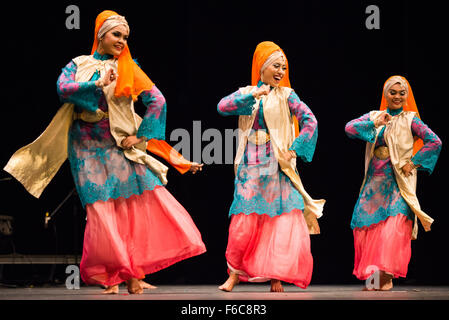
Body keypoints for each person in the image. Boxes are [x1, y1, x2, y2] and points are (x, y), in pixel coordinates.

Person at [4, 10, 206, 294]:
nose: (122, 41)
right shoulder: (79, 64)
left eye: (125, 37)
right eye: (116, 34)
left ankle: (128, 274)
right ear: (100, 34)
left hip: (117, 146)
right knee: (99, 209)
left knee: (130, 208)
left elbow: (158, 100)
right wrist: (97, 83)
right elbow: (64, 89)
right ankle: (120, 274)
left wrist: (140, 137)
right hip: (84, 146)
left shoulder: (128, 68)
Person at [217, 41, 325, 292]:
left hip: (277, 165)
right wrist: (252, 94)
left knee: (277, 218)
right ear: (262, 67)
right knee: (243, 219)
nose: (280, 71)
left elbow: (311, 121)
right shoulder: (247, 93)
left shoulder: (288, 95)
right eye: (276, 66)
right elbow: (222, 107)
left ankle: (276, 275)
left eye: (284, 67)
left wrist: (296, 148)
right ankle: (234, 273)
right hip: (250, 165)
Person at [345, 75, 442, 291]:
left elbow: (434, 141)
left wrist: (414, 163)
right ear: (385, 94)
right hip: (374, 185)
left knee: (392, 229)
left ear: (407, 96)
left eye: (402, 93)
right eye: (393, 92)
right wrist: (374, 122)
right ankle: (374, 278)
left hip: (398, 184)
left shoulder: (411, 119)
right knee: (370, 229)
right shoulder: (375, 116)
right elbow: (349, 128)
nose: (397, 97)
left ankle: (386, 276)